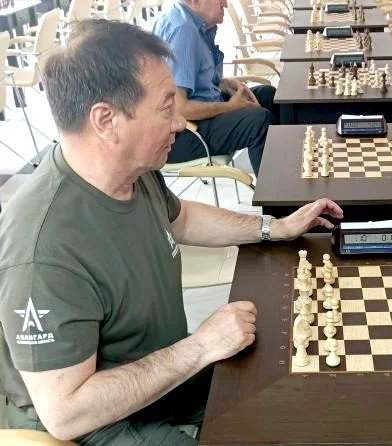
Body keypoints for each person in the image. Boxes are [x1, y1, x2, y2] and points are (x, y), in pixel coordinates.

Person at [0, 20, 342, 445]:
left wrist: (276, 227)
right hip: (102, 424)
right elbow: (66, 414)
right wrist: (200, 347)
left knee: (288, 372)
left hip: (162, 375)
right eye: (166, 108)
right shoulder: (42, 249)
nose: (180, 122)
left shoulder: (133, 171)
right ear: (106, 121)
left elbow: (181, 219)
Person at [152, 0, 280, 176]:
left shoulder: (194, 22)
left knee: (268, 95)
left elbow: (194, 79)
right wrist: (230, 107)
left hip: (197, 117)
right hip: (181, 135)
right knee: (259, 121)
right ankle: (275, 192)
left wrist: (224, 83)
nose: (226, 4)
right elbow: (179, 108)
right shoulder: (183, 30)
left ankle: (291, 173)